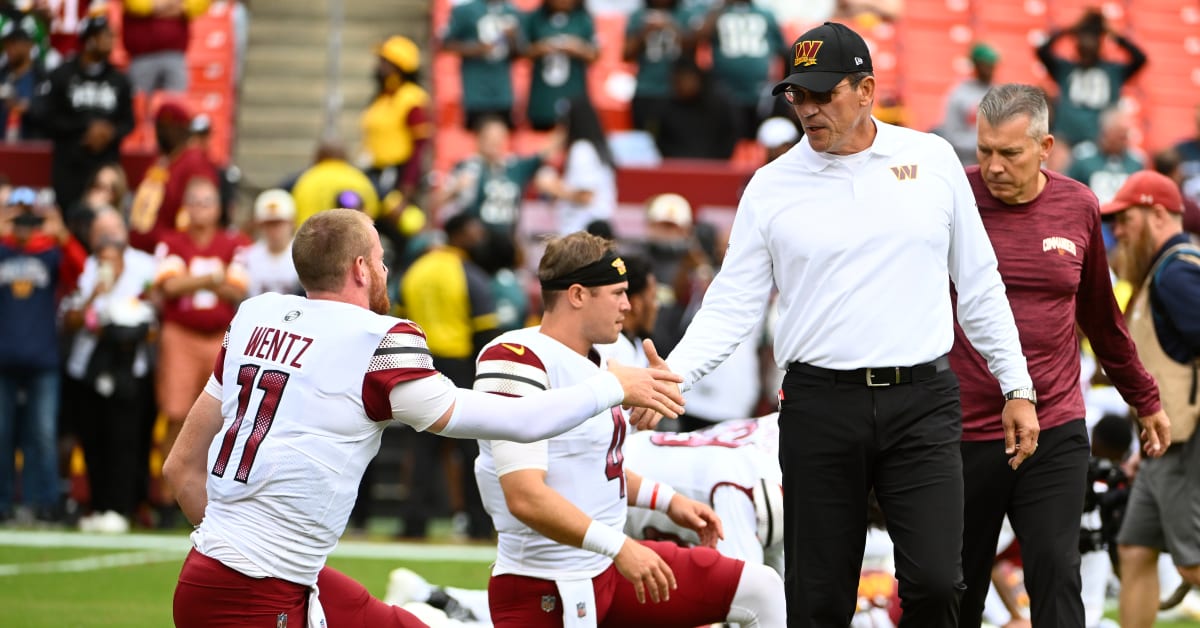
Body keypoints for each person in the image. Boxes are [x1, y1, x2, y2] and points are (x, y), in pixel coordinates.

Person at [637, 22, 1038, 627]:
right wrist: (675, 376)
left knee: (935, 581)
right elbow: (732, 303)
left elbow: (978, 282)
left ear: (867, 89)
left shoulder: (930, 159)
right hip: (819, 404)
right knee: (818, 597)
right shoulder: (770, 186)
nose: (808, 108)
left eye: (824, 94)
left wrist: (1017, 384)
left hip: (922, 399)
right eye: (798, 95)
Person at [162, 209, 686, 627]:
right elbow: (520, 421)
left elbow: (179, 469)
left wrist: (236, 553)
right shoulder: (376, 342)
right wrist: (613, 385)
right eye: (382, 259)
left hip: (217, 575)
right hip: (257, 594)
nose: (387, 271)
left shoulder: (257, 316)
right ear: (361, 269)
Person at [472, 230, 785, 627]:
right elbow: (525, 497)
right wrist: (621, 546)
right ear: (578, 295)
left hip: (606, 570)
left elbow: (598, 466)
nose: (627, 304)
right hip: (545, 586)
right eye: (617, 293)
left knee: (763, 588)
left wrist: (670, 501)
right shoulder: (514, 361)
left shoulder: (598, 361)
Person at [953, 83, 1169, 628]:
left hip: (1054, 425)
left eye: (1010, 153)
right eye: (984, 151)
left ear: (1045, 146)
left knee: (1055, 570)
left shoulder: (1078, 205)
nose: (994, 166)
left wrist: (1145, 398)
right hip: (963, 428)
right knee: (953, 586)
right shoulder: (952, 197)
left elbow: (1101, 317)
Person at [1098, 170, 1200, 628]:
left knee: (1193, 564)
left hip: (1188, 443)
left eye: (1125, 219)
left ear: (1158, 214)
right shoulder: (1162, 271)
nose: (1116, 231)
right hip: (1163, 445)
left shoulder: (1177, 272)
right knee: (1135, 549)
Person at [152, 176, 249, 520]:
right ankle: (167, 497)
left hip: (223, 335)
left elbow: (237, 290)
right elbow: (168, 286)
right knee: (176, 413)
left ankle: (209, 497)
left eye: (207, 201)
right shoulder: (173, 241)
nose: (200, 209)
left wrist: (192, 281)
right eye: (194, 201)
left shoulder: (234, 243)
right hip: (181, 333)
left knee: (221, 418)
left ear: (219, 207)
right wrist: (212, 278)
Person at [398, 212, 499, 540]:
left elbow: (398, 319)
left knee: (422, 448)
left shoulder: (416, 270)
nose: (479, 238)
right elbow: (486, 330)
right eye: (473, 231)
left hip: (419, 361)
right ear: (458, 235)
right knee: (470, 448)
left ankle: (414, 524)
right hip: (459, 364)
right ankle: (479, 525)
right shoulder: (469, 274)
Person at [61, 207, 158, 533]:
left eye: (114, 231)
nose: (109, 243)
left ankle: (122, 506)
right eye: (102, 235)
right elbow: (72, 319)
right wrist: (95, 295)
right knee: (93, 438)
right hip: (88, 368)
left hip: (128, 369)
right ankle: (98, 505)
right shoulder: (87, 268)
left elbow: (153, 315)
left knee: (125, 440)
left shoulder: (145, 265)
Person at [0, 186, 86, 524]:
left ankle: (44, 503)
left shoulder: (49, 254)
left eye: (28, 217)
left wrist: (61, 233)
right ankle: (4, 504)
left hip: (43, 359)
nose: (23, 224)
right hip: (3, 359)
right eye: (17, 216)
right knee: (2, 434)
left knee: (43, 434)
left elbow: (82, 271)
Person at [36, 14, 133, 213]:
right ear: (88, 40)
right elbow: (47, 118)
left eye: (111, 36)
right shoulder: (62, 74)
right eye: (104, 36)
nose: (110, 41)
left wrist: (109, 132)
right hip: (69, 164)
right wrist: (85, 128)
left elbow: (129, 122)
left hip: (105, 165)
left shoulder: (119, 79)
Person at [1035, 9, 1146, 148]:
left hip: (1100, 142)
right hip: (1066, 138)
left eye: (1092, 38)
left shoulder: (1113, 71)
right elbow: (1042, 51)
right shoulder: (1064, 68)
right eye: (1082, 38)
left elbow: (1140, 58)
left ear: (1099, 42)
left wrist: (1112, 34)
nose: (1087, 44)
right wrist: (1069, 30)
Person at [127, 100, 220, 252]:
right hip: (141, 248)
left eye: (168, 127)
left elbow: (200, 212)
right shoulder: (159, 160)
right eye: (159, 126)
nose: (162, 133)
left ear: (183, 130)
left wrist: (175, 244)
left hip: (172, 252)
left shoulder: (194, 161)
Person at [690, 0, 788, 139]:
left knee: (762, 138)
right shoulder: (715, 13)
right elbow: (695, 39)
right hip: (725, 91)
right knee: (726, 137)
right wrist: (720, 8)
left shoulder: (766, 14)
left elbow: (783, 51)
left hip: (760, 93)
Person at [361, 35, 434, 202]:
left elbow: (420, 146)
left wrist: (408, 183)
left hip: (398, 174)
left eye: (384, 62)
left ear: (398, 67)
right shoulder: (382, 97)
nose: (379, 66)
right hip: (375, 171)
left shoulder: (412, 98)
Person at [441, 0, 523, 130]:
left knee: (502, 137)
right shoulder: (465, 10)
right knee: (476, 135)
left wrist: (512, 38)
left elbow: (519, 53)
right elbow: (445, 44)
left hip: (503, 91)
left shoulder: (512, 11)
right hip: (475, 92)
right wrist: (476, 49)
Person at [521, 0, 597, 131]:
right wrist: (541, 48)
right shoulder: (535, 18)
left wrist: (577, 48)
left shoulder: (583, 19)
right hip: (543, 96)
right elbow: (521, 51)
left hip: (574, 92)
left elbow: (595, 54)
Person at [550, 98, 617, 235]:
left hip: (582, 234)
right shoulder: (597, 148)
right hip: (596, 232)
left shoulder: (582, 150)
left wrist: (551, 187)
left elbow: (585, 196)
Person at [624, 0, 690, 133]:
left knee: (677, 142)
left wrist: (671, 27)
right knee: (645, 141)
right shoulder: (638, 16)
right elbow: (626, 55)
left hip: (677, 91)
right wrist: (645, 32)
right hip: (646, 89)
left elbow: (692, 48)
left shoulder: (684, 14)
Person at [121, 0, 210, 93]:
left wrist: (155, 8)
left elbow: (195, 6)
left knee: (174, 103)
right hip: (141, 56)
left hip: (175, 56)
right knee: (138, 101)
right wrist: (174, 6)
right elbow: (137, 6)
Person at [1065, 108, 1143, 205]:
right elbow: (1069, 192)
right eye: (1120, 136)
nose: (1124, 141)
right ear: (1105, 133)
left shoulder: (1136, 161)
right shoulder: (1083, 157)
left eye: (1125, 136)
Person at [939, 43, 997, 166]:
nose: (990, 69)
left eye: (992, 65)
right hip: (965, 164)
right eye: (986, 65)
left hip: (993, 165)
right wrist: (984, 144)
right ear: (976, 65)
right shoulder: (959, 94)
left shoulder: (999, 92)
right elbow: (951, 136)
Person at [242, 188, 301, 297]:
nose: (274, 230)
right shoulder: (246, 256)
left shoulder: (304, 255)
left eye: (279, 223)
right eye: (269, 224)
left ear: (292, 222)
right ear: (259, 225)